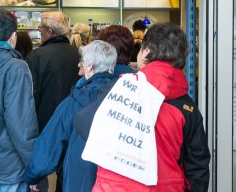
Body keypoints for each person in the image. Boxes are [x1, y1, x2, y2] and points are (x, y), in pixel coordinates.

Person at [75, 22, 210, 191]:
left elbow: (84, 124)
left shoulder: (120, 88)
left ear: (145, 51)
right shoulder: (187, 107)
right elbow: (198, 166)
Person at [23, 40, 117, 192]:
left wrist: (33, 176)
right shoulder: (123, 96)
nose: (79, 65)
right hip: (114, 181)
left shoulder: (74, 101)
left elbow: (50, 144)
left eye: (82, 62)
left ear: (90, 66)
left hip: (79, 180)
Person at [26, 11, 80, 191]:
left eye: (41, 29)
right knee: (66, 172)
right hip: (74, 121)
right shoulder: (77, 55)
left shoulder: (36, 56)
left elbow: (29, 95)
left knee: (40, 172)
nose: (40, 32)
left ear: (49, 31)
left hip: (44, 123)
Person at [0, 9, 38, 191]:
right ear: (13, 37)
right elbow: (21, 124)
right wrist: (33, 168)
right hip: (7, 167)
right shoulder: (15, 67)